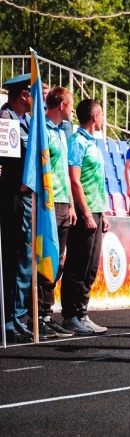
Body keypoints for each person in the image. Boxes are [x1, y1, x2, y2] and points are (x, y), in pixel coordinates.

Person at [61, 98, 111, 336]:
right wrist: (87, 213)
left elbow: (98, 181)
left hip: (97, 211)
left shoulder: (94, 143)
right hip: (84, 213)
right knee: (77, 265)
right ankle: (70, 316)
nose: (102, 119)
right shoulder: (77, 142)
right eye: (101, 114)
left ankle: (82, 312)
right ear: (95, 116)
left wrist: (104, 212)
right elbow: (74, 181)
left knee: (90, 268)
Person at [38, 87, 78, 338]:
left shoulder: (63, 133)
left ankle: (47, 313)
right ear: (61, 104)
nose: (73, 108)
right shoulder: (42, 130)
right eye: (70, 103)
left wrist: (72, 205)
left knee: (58, 264)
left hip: (64, 203)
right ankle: (41, 315)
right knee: (46, 262)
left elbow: (63, 170)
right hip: (49, 204)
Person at [0, 74, 35, 342]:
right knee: (13, 258)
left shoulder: (25, 122)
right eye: (34, 92)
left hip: (23, 198)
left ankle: (17, 316)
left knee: (23, 257)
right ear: (24, 94)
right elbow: (8, 164)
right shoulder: (7, 120)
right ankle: (9, 318)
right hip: (13, 198)